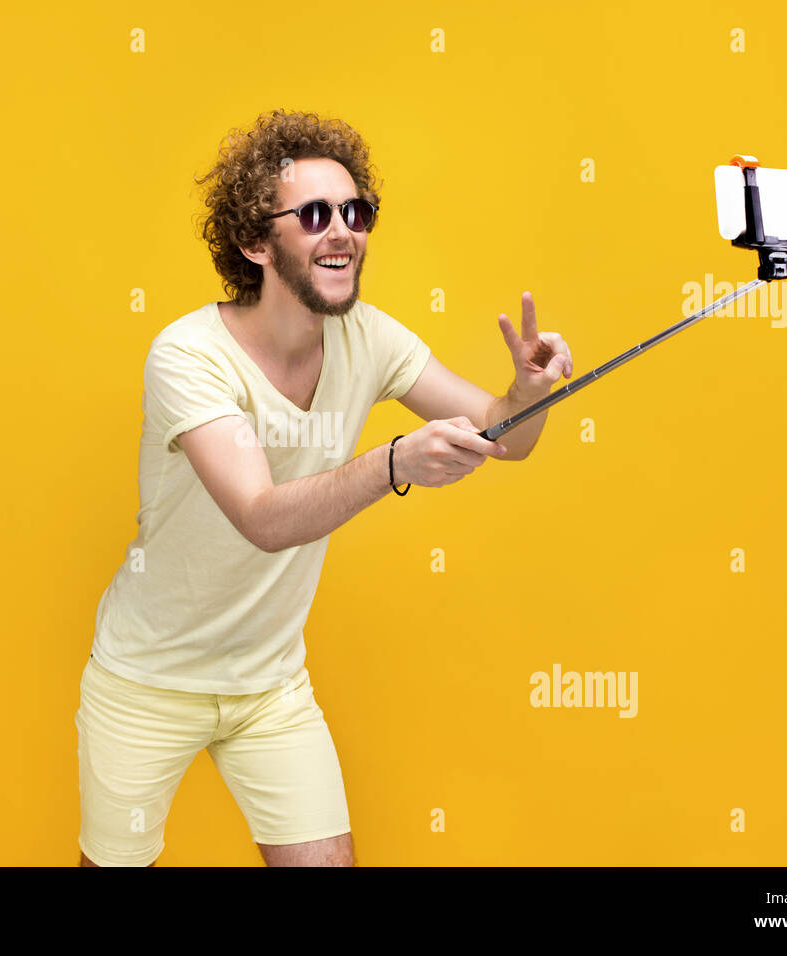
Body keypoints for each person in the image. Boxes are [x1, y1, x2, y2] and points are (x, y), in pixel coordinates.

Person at [77, 109, 573, 867]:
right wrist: (394, 463)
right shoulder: (187, 355)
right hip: (147, 681)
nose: (343, 231)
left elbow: (505, 435)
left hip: (270, 686)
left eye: (356, 212)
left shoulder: (369, 337)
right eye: (314, 214)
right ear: (255, 242)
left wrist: (529, 394)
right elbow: (262, 518)